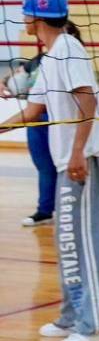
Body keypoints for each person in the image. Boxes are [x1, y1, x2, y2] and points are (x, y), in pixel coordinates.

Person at [0, 0, 99, 341]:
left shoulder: (68, 49)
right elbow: (34, 112)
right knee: (67, 242)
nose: (23, 17)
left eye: (26, 12)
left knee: (85, 242)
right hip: (70, 159)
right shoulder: (50, 56)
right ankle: (72, 314)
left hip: (85, 159)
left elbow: (88, 98)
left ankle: (96, 324)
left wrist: (79, 151)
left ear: (35, 18)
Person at [1, 48, 58, 226]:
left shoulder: (68, 57)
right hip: (36, 118)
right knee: (44, 166)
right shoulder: (41, 58)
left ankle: (72, 210)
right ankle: (45, 211)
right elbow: (18, 71)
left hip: (60, 118)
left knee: (66, 166)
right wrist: (3, 81)